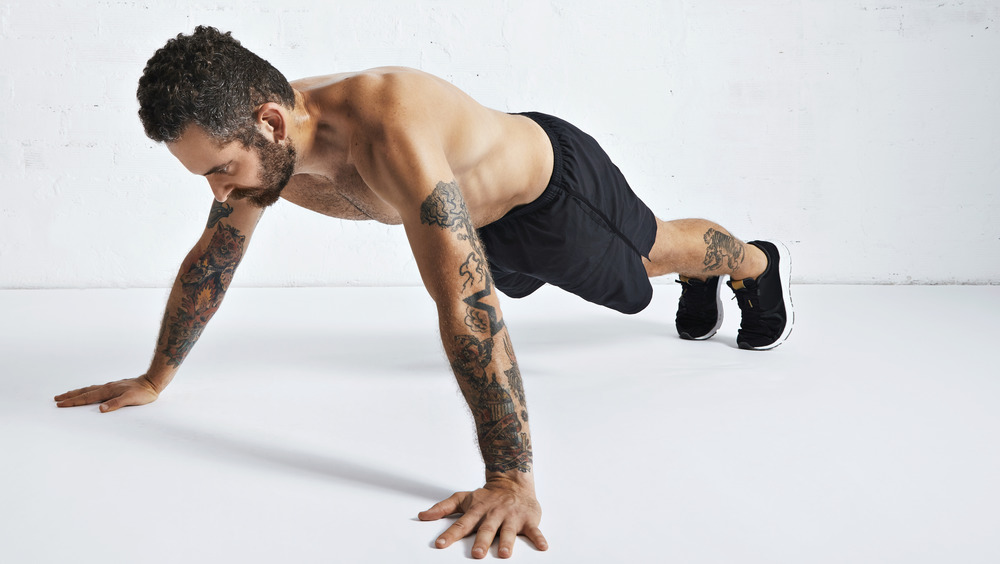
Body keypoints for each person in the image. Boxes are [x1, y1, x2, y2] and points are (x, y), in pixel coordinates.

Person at [53, 26, 793, 559]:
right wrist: (158, 376)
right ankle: (707, 271)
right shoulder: (269, 155)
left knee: (648, 262)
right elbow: (215, 256)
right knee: (631, 273)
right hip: (483, 229)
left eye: (220, 169)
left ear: (268, 122)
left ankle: (753, 264)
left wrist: (510, 479)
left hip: (552, 198)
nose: (220, 191)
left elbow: (466, 309)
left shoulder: (388, 131)